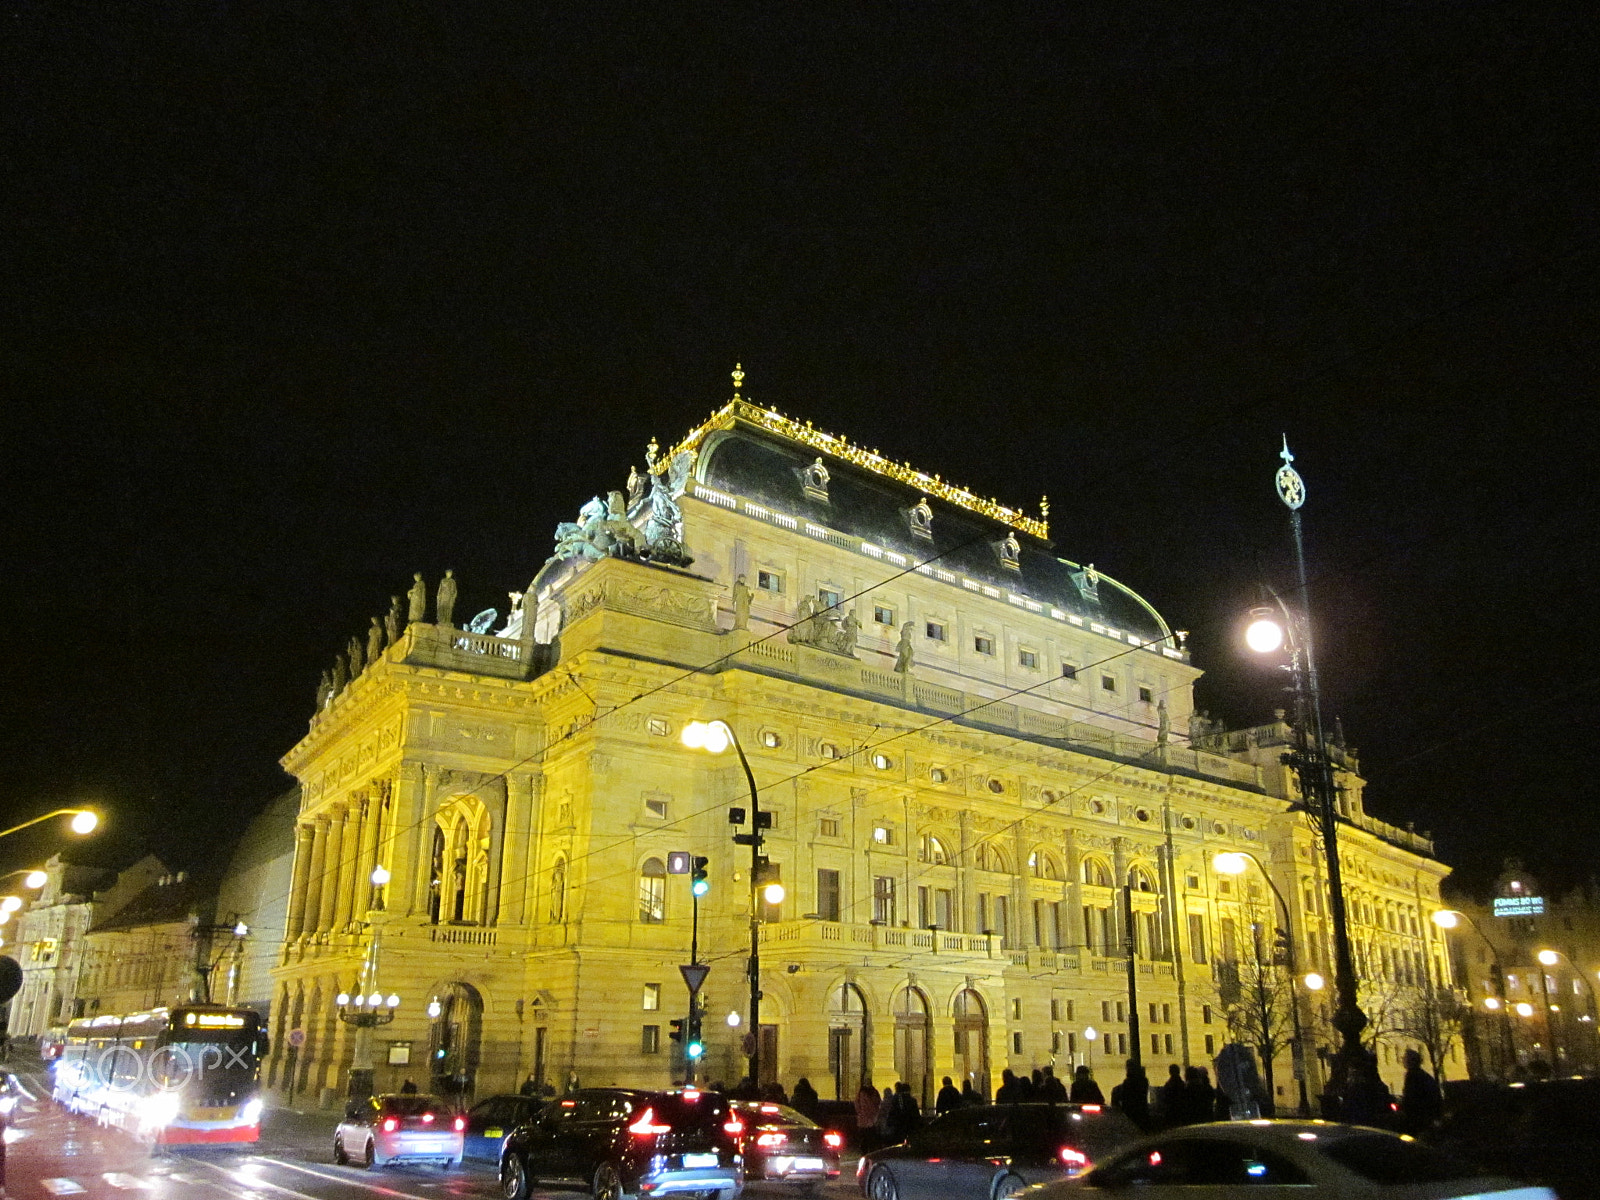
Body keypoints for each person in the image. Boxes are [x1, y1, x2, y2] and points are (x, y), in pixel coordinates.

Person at [1399, 1049, 1442, 1134]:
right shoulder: (1422, 1076)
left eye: (1405, 1058)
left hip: (1419, 1119)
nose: (1403, 1060)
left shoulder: (1414, 1077)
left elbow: (1412, 1099)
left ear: (1411, 1061)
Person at [1110, 1061, 1151, 1130]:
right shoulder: (1142, 1080)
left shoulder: (1131, 1081)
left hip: (1131, 1112)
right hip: (1141, 1112)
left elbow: (1125, 1094)